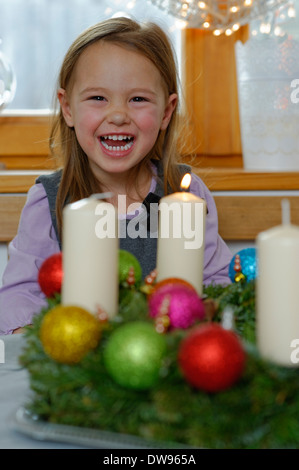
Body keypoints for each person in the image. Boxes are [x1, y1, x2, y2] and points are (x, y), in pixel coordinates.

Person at [0, 17, 232, 335]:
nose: (119, 115)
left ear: (167, 111)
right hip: (75, 366)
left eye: (138, 99)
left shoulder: (185, 194)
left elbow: (216, 283)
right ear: (67, 108)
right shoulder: (49, 201)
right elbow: (19, 295)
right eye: (98, 98)